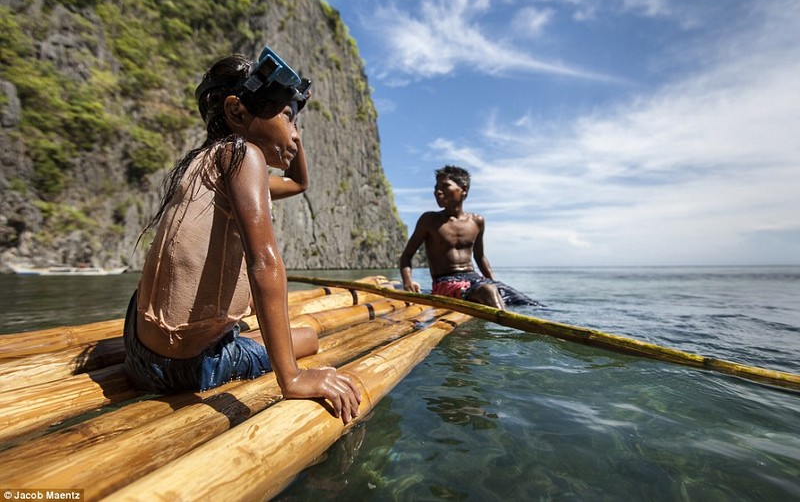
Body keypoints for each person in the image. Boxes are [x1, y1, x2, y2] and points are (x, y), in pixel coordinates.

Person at [123, 45, 361, 424]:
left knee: (246, 322)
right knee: (308, 339)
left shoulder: (205, 162)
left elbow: (298, 183)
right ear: (237, 111)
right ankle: (257, 355)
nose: (296, 136)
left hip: (137, 346)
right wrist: (293, 378)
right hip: (176, 369)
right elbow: (264, 263)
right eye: (287, 118)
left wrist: (295, 110)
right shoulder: (242, 155)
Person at [399, 165, 540, 309]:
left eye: (445, 186)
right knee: (488, 291)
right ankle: (505, 328)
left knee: (530, 303)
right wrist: (408, 282)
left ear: (464, 190)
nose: (437, 192)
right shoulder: (429, 220)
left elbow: (480, 257)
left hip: (475, 279)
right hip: (445, 282)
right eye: (436, 187)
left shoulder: (476, 221)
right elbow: (406, 257)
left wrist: (493, 282)